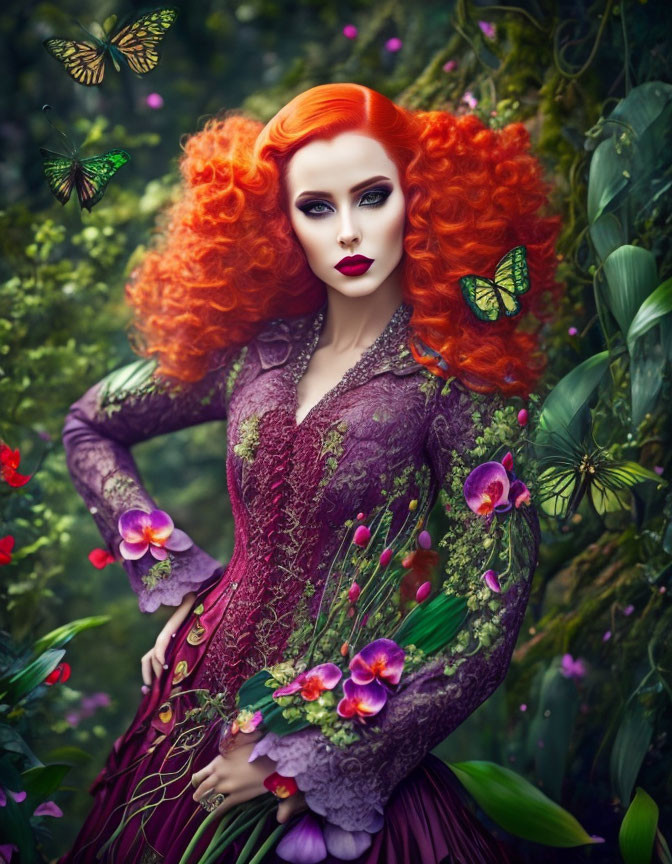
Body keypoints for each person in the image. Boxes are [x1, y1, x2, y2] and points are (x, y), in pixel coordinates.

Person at [58, 82, 560, 864]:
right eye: (316, 207)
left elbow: (485, 613)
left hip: (336, 730)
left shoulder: (457, 379)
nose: (350, 231)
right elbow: (90, 422)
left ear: (421, 198)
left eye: (372, 196)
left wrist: (299, 759)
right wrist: (177, 576)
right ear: (278, 222)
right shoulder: (254, 352)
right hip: (183, 711)